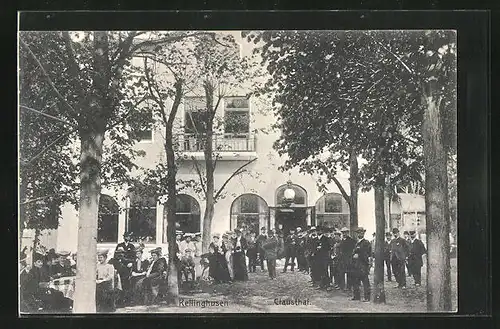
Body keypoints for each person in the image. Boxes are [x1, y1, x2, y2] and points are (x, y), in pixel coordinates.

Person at [350, 227, 372, 302]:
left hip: (363, 265)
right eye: (358, 232)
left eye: (361, 232)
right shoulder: (356, 243)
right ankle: (356, 296)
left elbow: (367, 253)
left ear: (364, 233)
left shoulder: (366, 242)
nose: (360, 234)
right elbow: (353, 253)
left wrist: (359, 255)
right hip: (356, 265)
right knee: (355, 281)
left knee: (365, 281)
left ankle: (367, 297)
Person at [338, 227, 356, 293]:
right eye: (343, 232)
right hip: (342, 260)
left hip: (348, 259)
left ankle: (349, 287)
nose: (344, 234)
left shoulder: (351, 241)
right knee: (341, 273)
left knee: (349, 273)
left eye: (345, 232)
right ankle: (342, 286)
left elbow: (354, 250)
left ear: (348, 233)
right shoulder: (341, 241)